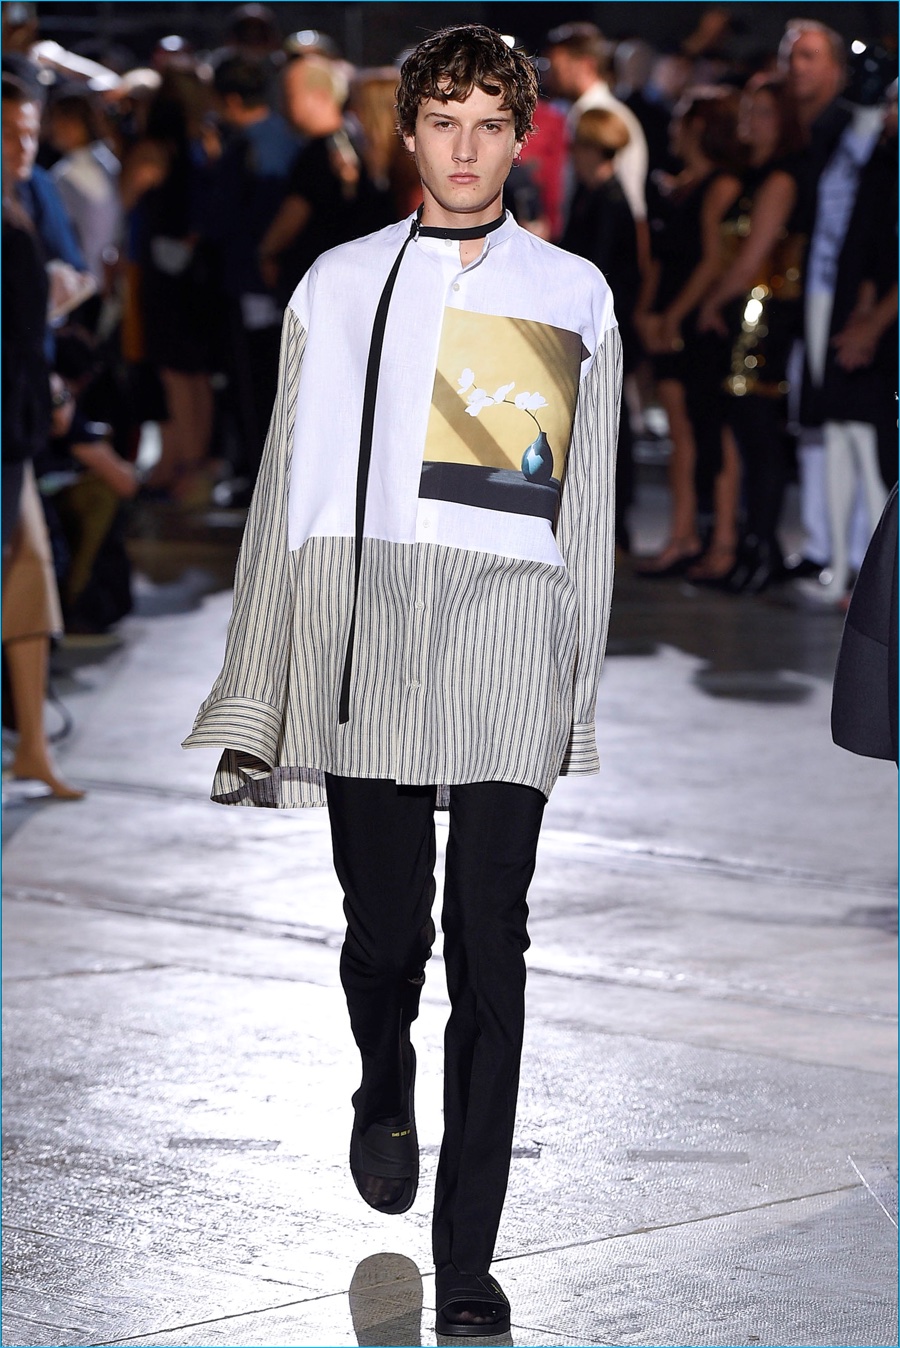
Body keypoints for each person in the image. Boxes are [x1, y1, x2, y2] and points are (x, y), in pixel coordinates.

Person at [184, 23, 620, 1337]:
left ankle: (469, 1256)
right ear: (409, 133)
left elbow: (587, 511)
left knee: (493, 944)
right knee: (389, 938)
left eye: (491, 123)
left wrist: (571, 692)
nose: (467, 149)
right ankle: (384, 1080)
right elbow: (284, 487)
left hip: (504, 642)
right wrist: (262, 675)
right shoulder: (337, 284)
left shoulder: (572, 293)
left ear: (522, 135)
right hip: (366, 637)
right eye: (444, 122)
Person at [635, 88, 742, 582]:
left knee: (709, 434)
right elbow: (661, 260)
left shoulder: (721, 185)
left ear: (700, 127)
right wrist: (647, 312)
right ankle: (682, 536)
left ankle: (717, 538)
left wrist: (673, 315)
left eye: (681, 120)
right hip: (669, 318)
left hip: (699, 324)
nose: (673, 130)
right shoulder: (679, 186)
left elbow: (711, 262)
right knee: (681, 435)